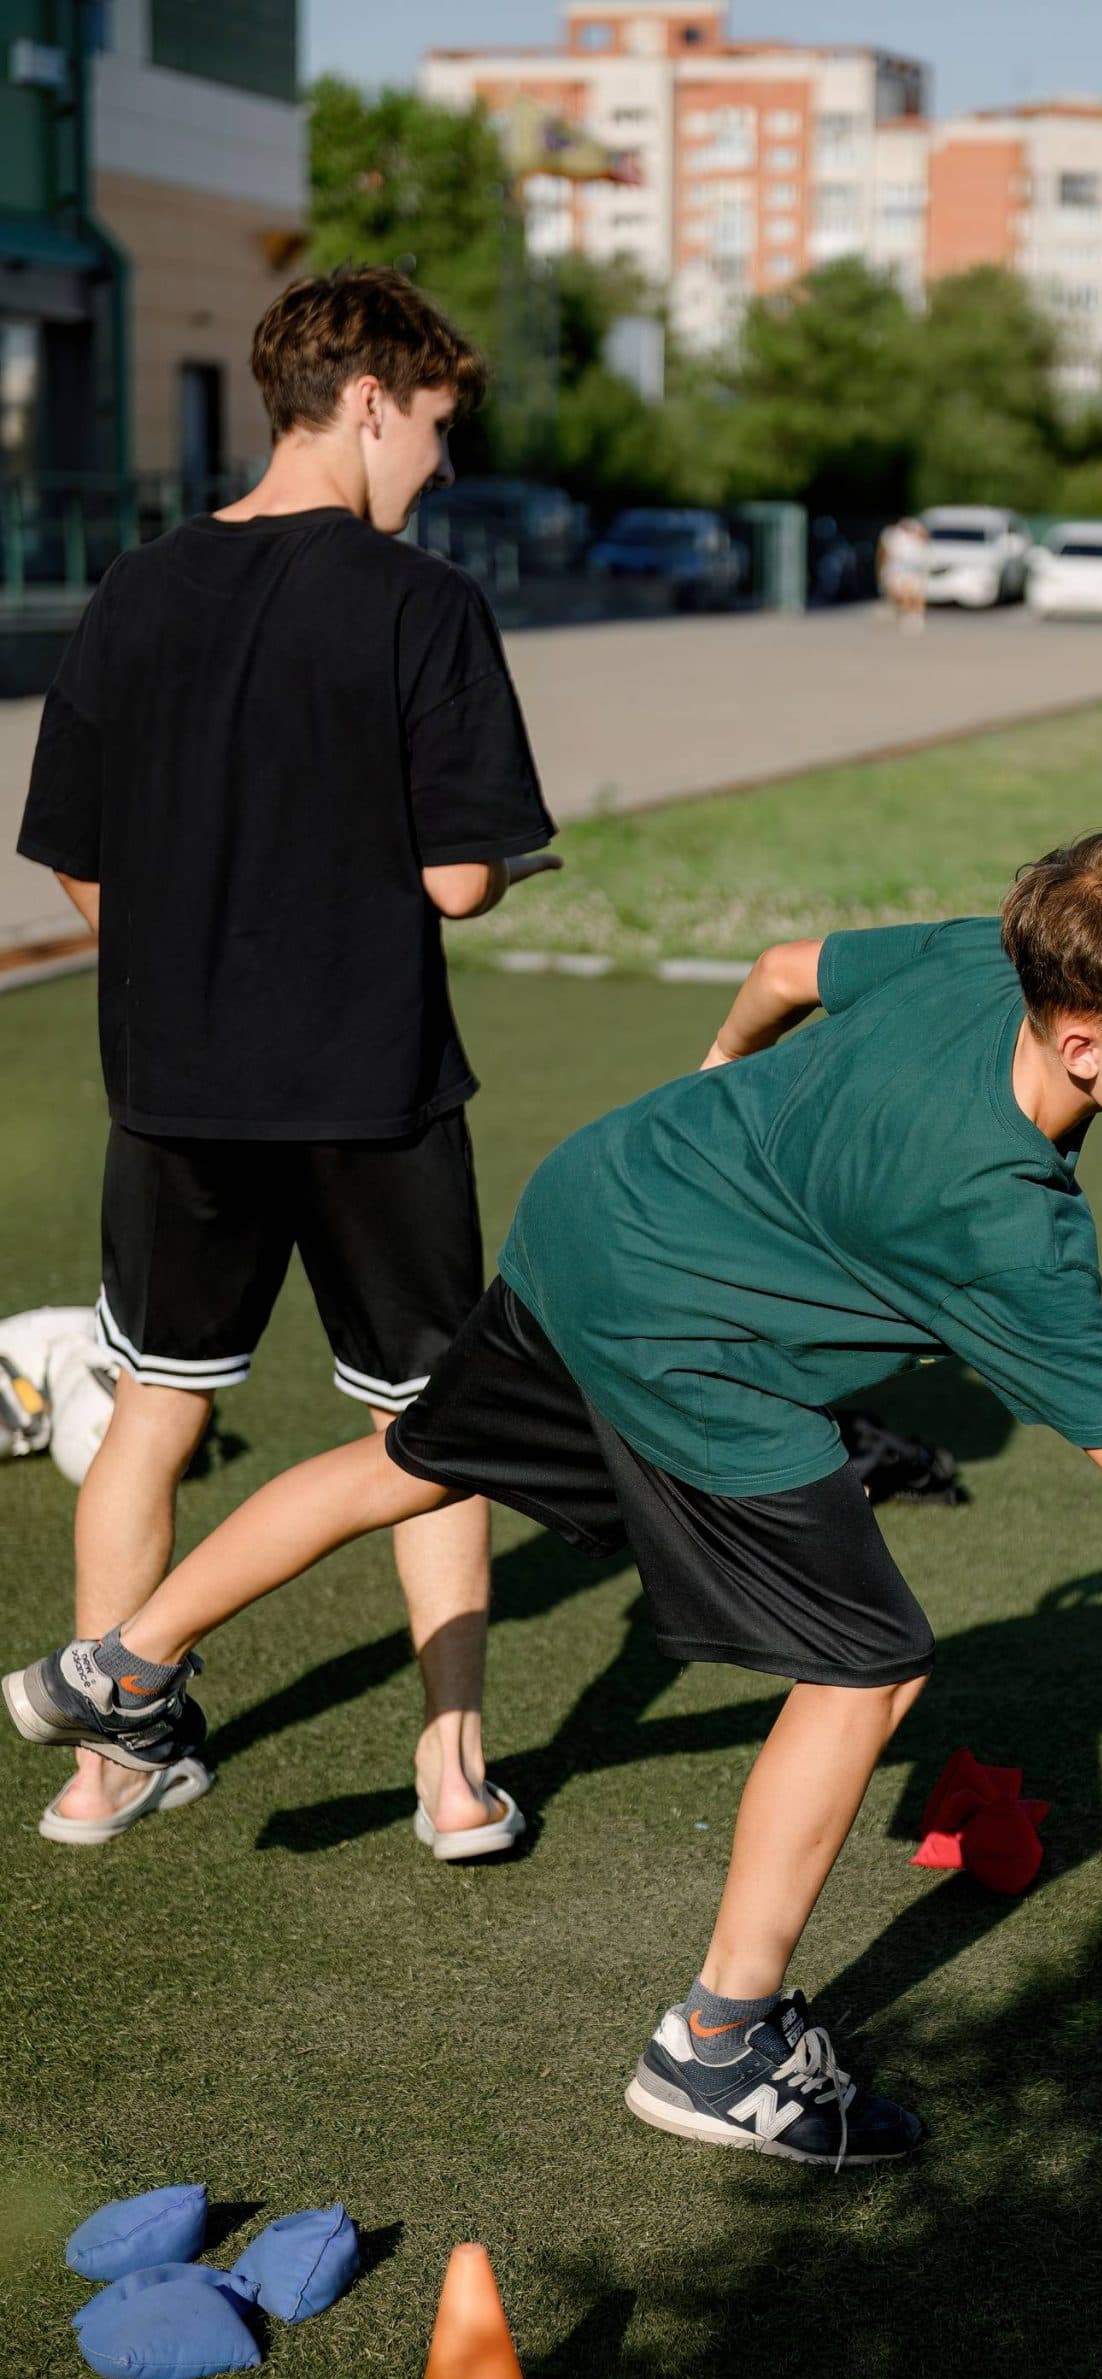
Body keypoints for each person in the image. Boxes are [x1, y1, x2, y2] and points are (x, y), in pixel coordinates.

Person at [4, 834, 1102, 2159]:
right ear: (1087, 1041)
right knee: (870, 1664)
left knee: (412, 1461)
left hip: (598, 1199)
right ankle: (721, 2043)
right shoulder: (1008, 1223)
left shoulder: (991, 957)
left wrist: (713, 1112)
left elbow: (773, 966)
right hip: (690, 1346)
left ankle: (118, 1669)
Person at [11, 267, 562, 1853]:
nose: (445, 466)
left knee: (151, 1408)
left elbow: (83, 866)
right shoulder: (426, 602)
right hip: (371, 1092)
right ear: (373, 401)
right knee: (430, 1426)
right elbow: (461, 874)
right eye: (441, 426)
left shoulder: (133, 589)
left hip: (173, 1089)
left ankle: (104, 1768)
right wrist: (516, 867)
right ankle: (453, 1778)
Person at [878, 515, 929, 633]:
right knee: (901, 592)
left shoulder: (914, 539)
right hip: (899, 567)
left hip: (913, 567)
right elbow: (885, 552)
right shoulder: (894, 536)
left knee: (913, 592)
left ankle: (914, 616)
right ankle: (908, 615)